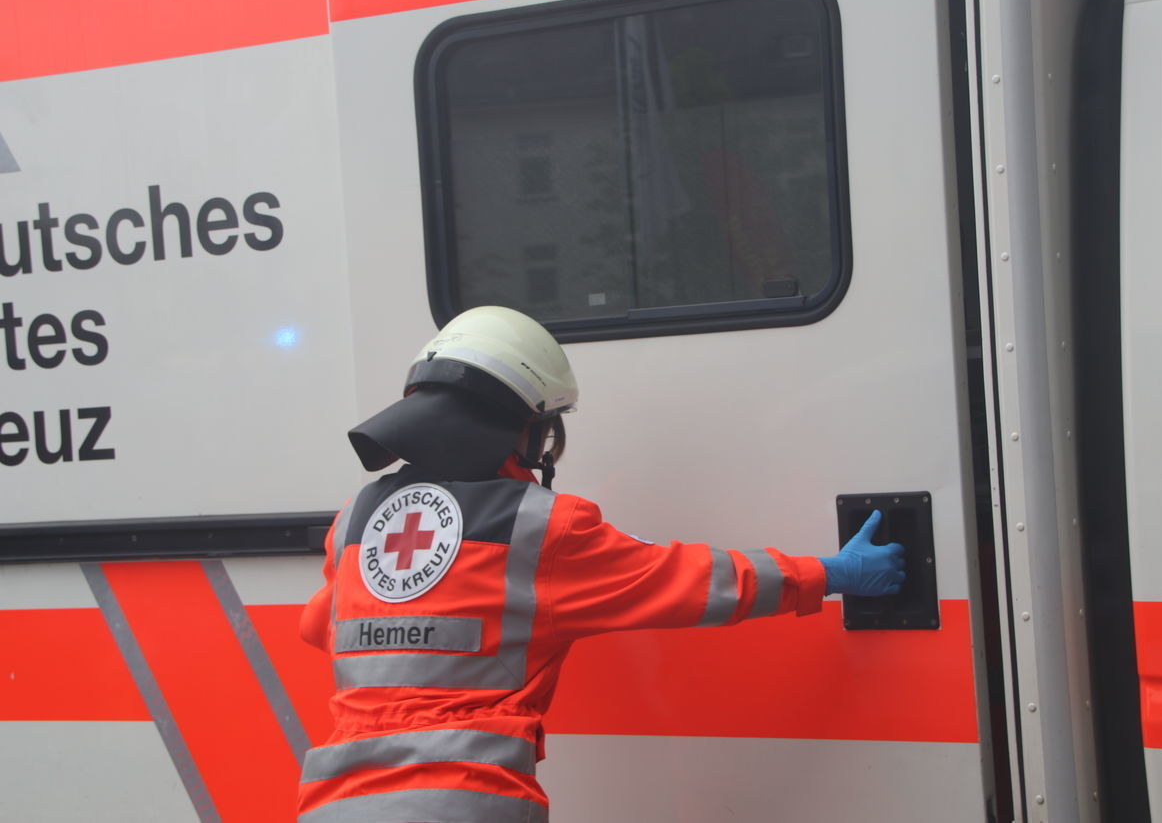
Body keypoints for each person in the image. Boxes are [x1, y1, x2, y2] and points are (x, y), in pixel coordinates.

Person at [296, 306, 906, 823]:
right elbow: (697, 581)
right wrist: (830, 574)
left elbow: (320, 627)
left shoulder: (357, 520)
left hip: (334, 802)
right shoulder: (539, 528)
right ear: (525, 430)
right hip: (464, 801)